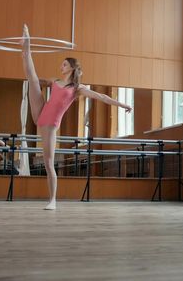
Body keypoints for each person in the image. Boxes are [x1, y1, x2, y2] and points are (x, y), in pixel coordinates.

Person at [21, 24, 132, 210]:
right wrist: (37, 82)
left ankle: (53, 200)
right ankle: (26, 43)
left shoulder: (77, 89)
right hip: (39, 113)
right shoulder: (55, 82)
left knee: (49, 163)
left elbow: (102, 97)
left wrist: (122, 104)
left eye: (64, 64)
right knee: (31, 76)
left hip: (49, 125)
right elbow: (37, 80)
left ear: (72, 68)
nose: (61, 66)